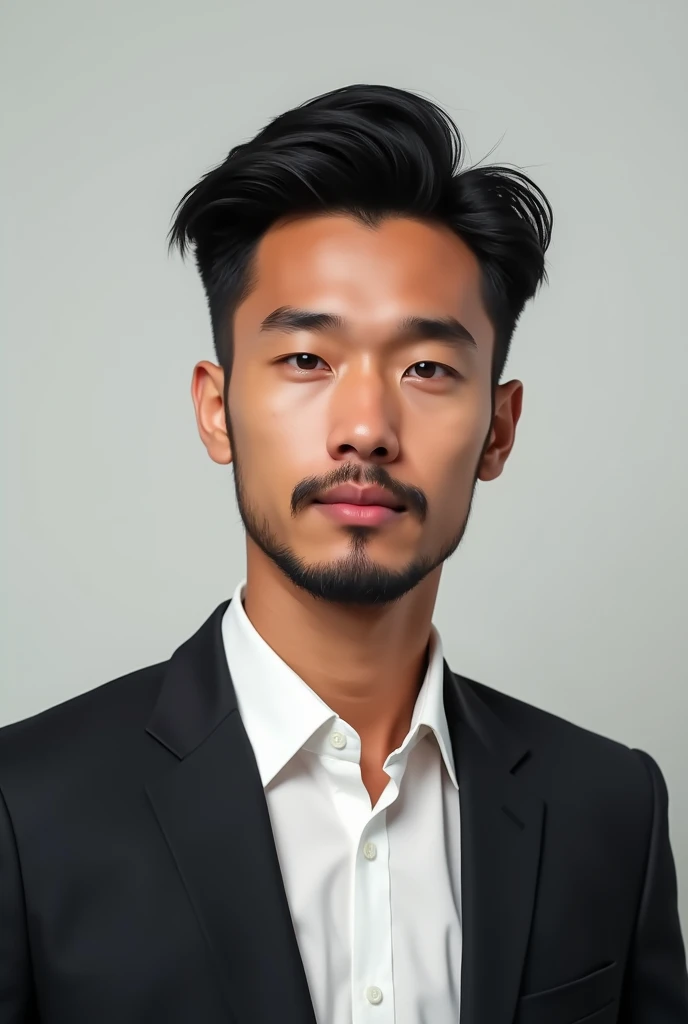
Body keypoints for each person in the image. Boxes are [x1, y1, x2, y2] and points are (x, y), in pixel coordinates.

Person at [0, 84, 686, 1024]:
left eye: (428, 370)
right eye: (306, 362)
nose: (365, 428)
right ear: (216, 407)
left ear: (499, 429)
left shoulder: (613, 809)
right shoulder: (23, 810)